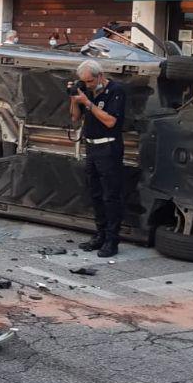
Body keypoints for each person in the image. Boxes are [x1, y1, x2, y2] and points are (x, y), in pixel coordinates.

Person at [70, 59, 126, 258]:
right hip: (91, 147)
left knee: (111, 195)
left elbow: (111, 121)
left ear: (100, 75)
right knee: (95, 193)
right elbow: (75, 118)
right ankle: (100, 234)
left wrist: (88, 102)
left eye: (90, 81)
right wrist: (75, 98)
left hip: (109, 147)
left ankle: (112, 240)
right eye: (84, 82)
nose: (88, 85)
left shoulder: (116, 90)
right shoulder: (88, 92)